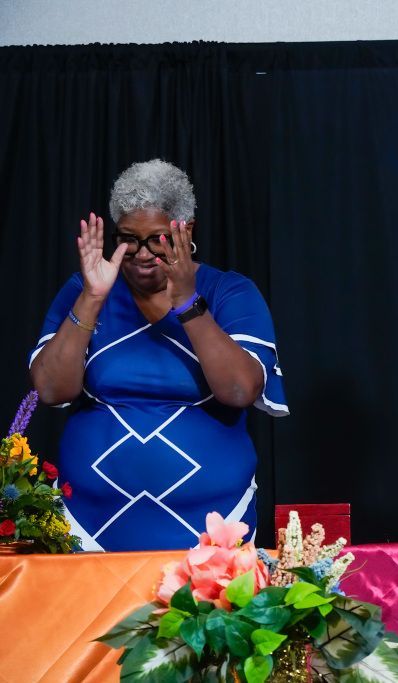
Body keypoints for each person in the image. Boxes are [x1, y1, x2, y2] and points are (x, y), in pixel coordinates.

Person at [29, 159, 287, 551]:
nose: (142, 253)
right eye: (129, 239)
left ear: (187, 231)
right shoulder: (84, 290)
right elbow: (51, 390)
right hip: (87, 525)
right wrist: (92, 298)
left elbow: (239, 390)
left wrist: (188, 304)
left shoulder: (228, 292)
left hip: (211, 529)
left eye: (158, 239)